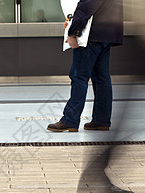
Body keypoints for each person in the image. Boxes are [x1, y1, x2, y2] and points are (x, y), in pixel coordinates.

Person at [47, 0, 123, 133]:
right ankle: (101, 120)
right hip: (107, 32)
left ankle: (70, 120)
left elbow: (87, 5)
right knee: (101, 78)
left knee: (79, 76)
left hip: (92, 34)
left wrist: (73, 31)